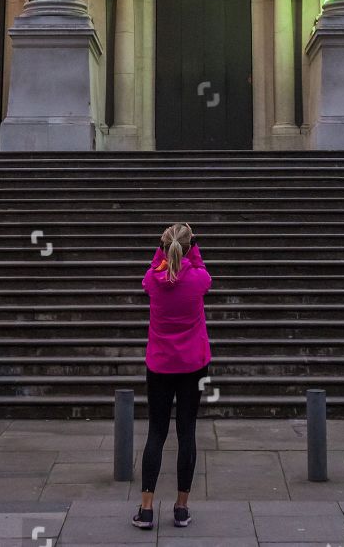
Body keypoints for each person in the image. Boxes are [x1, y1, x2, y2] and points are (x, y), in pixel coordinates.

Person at [132, 222, 212, 531]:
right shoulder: (199, 280)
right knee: (186, 433)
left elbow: (151, 273)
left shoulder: (153, 280)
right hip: (193, 365)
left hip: (160, 365)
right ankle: (181, 508)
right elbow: (202, 270)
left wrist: (161, 251)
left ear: (163, 249)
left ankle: (147, 508)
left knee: (156, 432)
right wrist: (193, 250)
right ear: (192, 247)